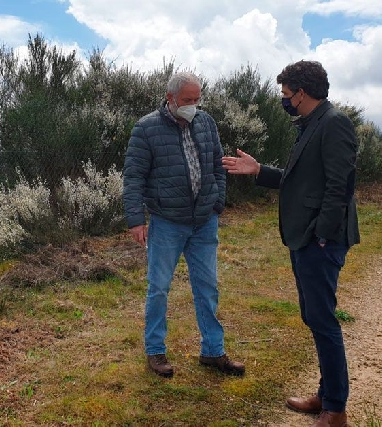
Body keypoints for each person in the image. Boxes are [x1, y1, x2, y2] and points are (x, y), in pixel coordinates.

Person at [222, 60, 358, 427]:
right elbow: (301, 180)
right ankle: (326, 395)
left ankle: (335, 410)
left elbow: (338, 188)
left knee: (323, 320)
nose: (284, 100)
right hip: (307, 238)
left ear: (301, 92)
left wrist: (322, 236)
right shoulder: (312, 124)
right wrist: (259, 171)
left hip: (320, 241)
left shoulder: (334, 123)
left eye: (285, 94)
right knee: (315, 317)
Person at [123, 71, 245, 378]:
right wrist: (136, 220)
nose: (193, 105)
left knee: (207, 287)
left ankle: (213, 352)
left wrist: (217, 203)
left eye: (197, 99)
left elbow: (218, 165)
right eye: (187, 100)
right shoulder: (146, 128)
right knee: (159, 288)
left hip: (204, 221)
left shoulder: (206, 123)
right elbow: (134, 176)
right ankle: (155, 352)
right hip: (166, 223)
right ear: (170, 98)